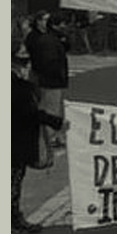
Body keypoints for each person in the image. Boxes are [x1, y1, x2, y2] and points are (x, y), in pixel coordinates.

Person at [12, 37, 65, 234]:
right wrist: (57, 122)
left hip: (19, 140)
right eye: (21, 57)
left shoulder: (21, 82)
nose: (26, 62)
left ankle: (16, 218)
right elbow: (29, 112)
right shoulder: (14, 85)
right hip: (13, 141)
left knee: (16, 182)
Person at [25, 10, 70, 148]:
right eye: (43, 19)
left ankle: (53, 135)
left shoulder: (51, 37)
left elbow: (66, 47)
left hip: (50, 79)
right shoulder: (39, 38)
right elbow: (46, 61)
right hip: (49, 79)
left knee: (53, 107)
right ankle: (49, 137)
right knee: (50, 108)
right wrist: (55, 74)